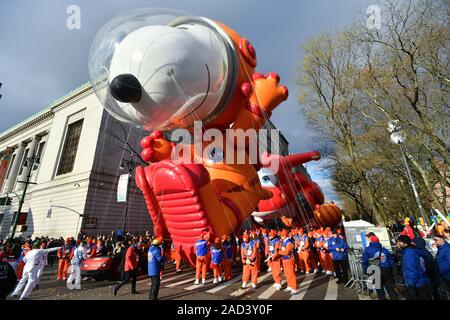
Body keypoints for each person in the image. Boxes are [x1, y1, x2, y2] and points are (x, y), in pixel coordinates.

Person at [361, 234, 399, 300]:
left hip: (375, 270)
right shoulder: (385, 250)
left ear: (371, 241)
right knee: (390, 289)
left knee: (380, 291)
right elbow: (391, 262)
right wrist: (394, 272)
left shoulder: (368, 250)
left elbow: (364, 262)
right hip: (387, 270)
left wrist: (365, 271)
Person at [396, 235, 432, 300]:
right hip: (423, 281)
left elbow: (411, 270)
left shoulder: (408, 253)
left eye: (398, 242)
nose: (397, 245)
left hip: (417, 284)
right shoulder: (413, 250)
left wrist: (410, 285)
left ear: (403, 243)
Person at [278, 229, 298, 294]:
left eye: (282, 235)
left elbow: (286, 252)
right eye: (281, 235)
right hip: (284, 259)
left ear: (285, 236)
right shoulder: (283, 242)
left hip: (289, 259)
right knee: (287, 274)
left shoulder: (289, 242)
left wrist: (279, 252)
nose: (281, 237)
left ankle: (294, 288)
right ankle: (289, 285)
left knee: (291, 274)